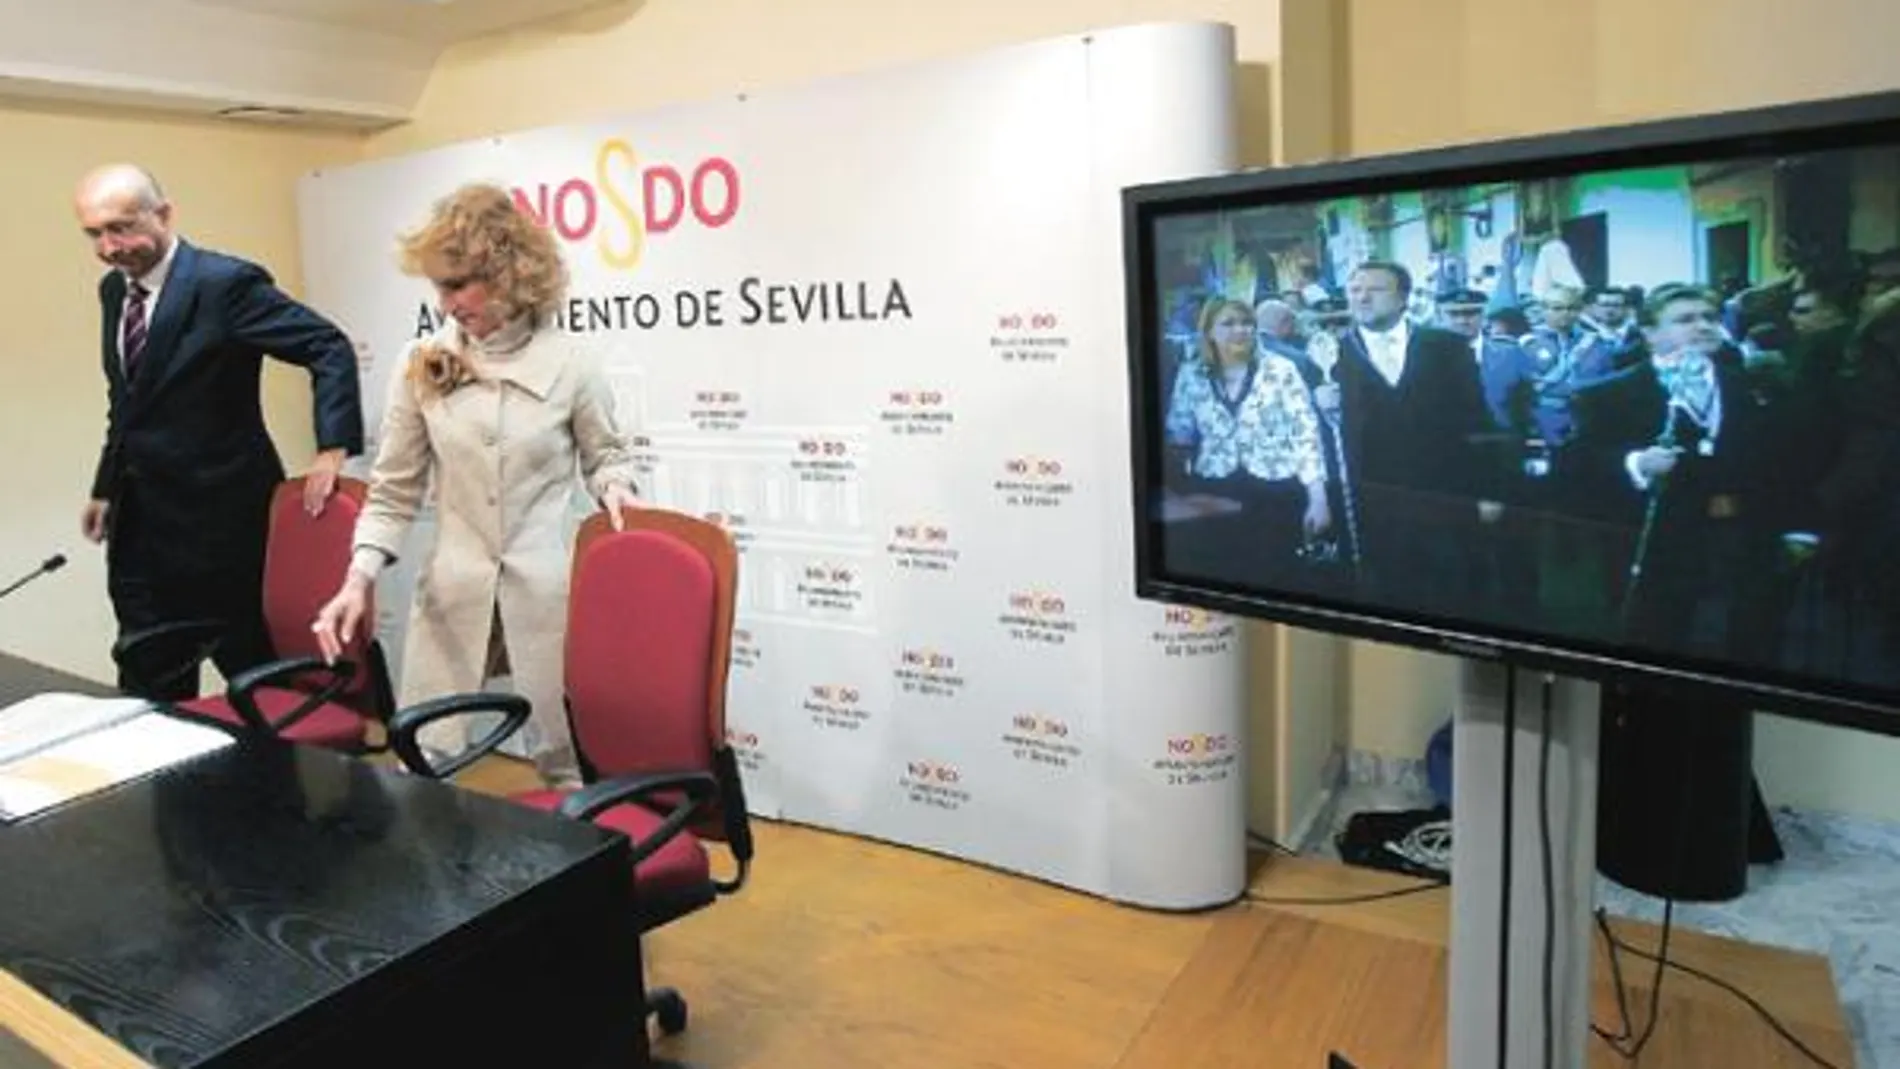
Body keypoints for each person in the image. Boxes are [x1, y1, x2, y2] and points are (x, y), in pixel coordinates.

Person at [311, 183, 640, 788]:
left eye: (459, 284)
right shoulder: (422, 362)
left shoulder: (572, 363)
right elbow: (393, 491)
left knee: (570, 765)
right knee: (424, 757)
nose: (446, 303)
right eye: (438, 286)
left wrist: (615, 487)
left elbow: (606, 456)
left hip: (546, 593)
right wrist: (357, 577)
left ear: (511, 275)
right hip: (453, 591)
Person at [74, 163, 363, 699]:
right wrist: (106, 486)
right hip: (142, 532)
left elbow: (327, 347)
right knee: (148, 693)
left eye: (121, 228)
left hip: (226, 527)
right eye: (95, 234)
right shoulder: (114, 293)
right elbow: (129, 403)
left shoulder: (224, 284)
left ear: (164, 214)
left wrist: (332, 447)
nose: (109, 247)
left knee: (259, 692)